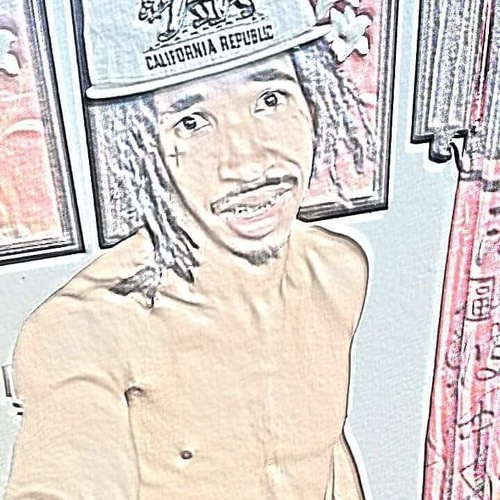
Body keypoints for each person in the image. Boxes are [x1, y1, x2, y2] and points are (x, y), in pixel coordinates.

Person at [5, 4, 373, 499]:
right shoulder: (85, 330)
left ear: (315, 102)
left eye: (270, 99)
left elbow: (323, 450)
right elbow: (65, 475)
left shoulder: (339, 272)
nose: (248, 163)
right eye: (192, 123)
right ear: (143, 151)